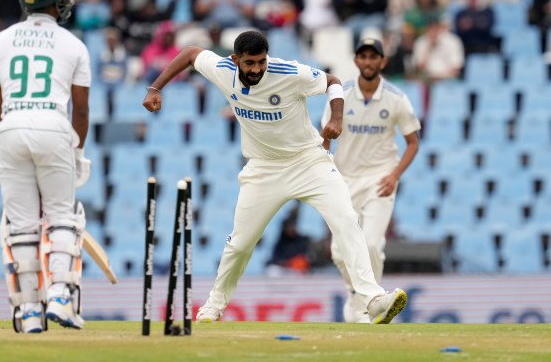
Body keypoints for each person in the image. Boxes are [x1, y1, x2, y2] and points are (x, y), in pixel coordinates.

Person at [142, 30, 407, 324]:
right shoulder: (222, 70)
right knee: (240, 244)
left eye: (261, 62)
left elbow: (332, 82)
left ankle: (372, 299)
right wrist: (155, 87)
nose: (256, 69)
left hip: (309, 162)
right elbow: (191, 52)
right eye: (250, 63)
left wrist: (336, 118)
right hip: (263, 169)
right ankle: (213, 307)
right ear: (235, 60)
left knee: (346, 220)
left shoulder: (288, 72)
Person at [0, 0, 91, 333]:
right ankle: (60, 295)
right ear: (57, 3)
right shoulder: (74, 44)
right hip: (53, 127)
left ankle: (30, 310)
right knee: (63, 216)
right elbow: (80, 110)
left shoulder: (2, 39)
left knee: (22, 226)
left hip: (10, 128)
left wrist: (14, 130)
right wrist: (76, 151)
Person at [321, 38, 421, 323]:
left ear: (382, 62)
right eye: (363, 57)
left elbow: (413, 142)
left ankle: (372, 305)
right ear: (356, 61)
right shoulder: (341, 95)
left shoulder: (396, 97)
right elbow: (325, 138)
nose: (368, 62)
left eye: (373, 57)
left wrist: (393, 175)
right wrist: (325, 174)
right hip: (344, 180)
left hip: (380, 179)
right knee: (340, 252)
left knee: (372, 244)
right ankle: (358, 298)